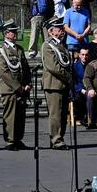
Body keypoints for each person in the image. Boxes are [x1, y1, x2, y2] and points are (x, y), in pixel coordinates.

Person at [0, 20, 31, 149]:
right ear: (6, 34)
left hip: (22, 88)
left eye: (16, 31)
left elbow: (26, 68)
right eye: (13, 31)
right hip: (10, 89)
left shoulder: (19, 49)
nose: (15, 34)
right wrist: (18, 87)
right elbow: (4, 72)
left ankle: (18, 138)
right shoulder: (1, 51)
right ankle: (10, 140)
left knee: (20, 116)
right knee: (10, 116)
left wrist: (28, 84)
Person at [41, 16, 73, 148]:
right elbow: (53, 67)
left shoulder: (61, 44)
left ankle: (59, 138)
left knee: (62, 114)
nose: (62, 31)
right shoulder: (47, 45)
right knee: (55, 114)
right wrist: (69, 77)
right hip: (54, 84)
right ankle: (56, 140)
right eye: (58, 29)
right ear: (50, 31)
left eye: (61, 28)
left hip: (63, 84)